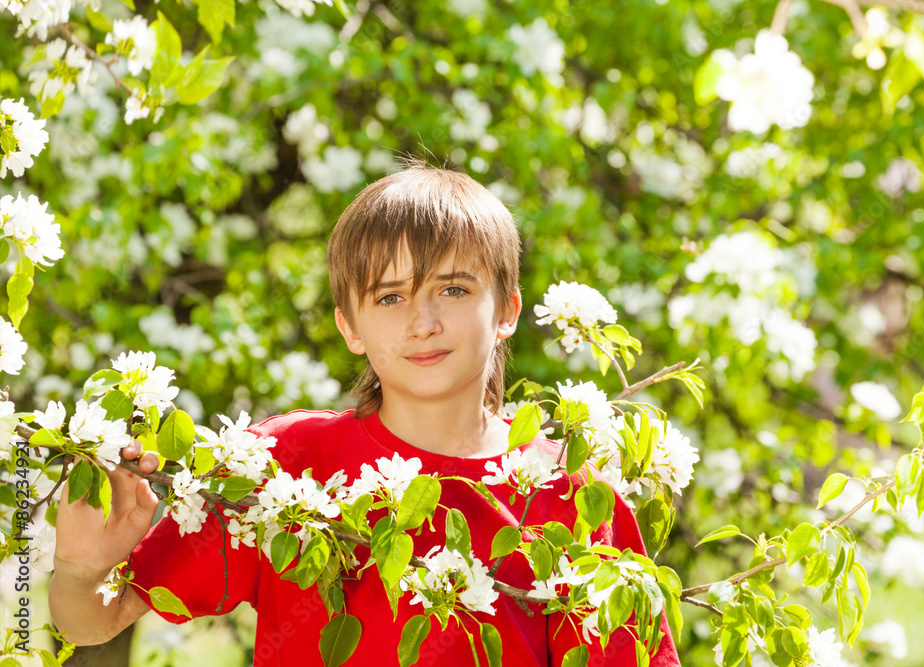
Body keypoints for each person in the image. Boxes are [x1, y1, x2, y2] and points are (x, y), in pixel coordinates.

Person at [50, 165, 681, 666]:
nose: (422, 321)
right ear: (350, 326)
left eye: (454, 289)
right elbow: (92, 621)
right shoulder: (281, 464)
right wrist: (81, 572)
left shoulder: (574, 497)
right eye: (390, 295)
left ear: (509, 310)